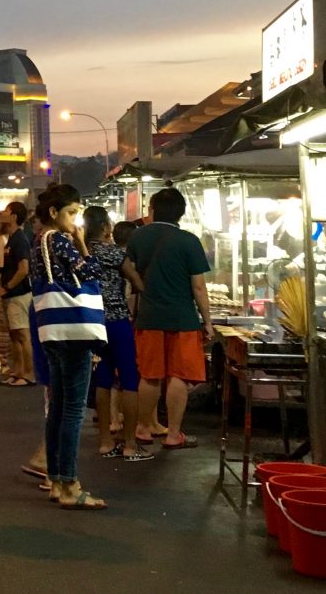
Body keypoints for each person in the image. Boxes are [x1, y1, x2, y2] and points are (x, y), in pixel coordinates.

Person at [29, 183, 106, 510]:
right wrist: (83, 246)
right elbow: (91, 271)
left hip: (52, 329)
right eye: (72, 212)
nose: (76, 220)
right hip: (74, 331)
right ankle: (70, 484)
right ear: (53, 213)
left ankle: (58, 482)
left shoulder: (37, 242)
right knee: (73, 409)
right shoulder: (60, 239)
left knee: (58, 407)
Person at [130, 187, 214, 452]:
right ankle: (173, 434)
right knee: (179, 374)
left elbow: (131, 274)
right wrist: (208, 321)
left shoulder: (137, 237)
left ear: (152, 210)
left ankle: (143, 428)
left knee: (150, 374)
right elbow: (198, 287)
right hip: (183, 318)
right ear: (181, 212)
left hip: (149, 315)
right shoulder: (188, 241)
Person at [86, 206, 151, 462]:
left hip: (93, 322)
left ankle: (104, 442)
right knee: (128, 378)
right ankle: (130, 444)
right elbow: (137, 282)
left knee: (102, 377)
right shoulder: (113, 252)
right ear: (105, 228)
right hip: (117, 320)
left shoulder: (82, 252)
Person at [0, 202, 35, 386]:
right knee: (14, 334)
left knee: (22, 334)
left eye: (6, 211)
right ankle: (18, 371)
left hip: (19, 294)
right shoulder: (12, 239)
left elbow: (23, 269)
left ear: (14, 216)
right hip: (12, 295)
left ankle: (29, 374)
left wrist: (7, 287)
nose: (2, 213)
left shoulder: (20, 239)